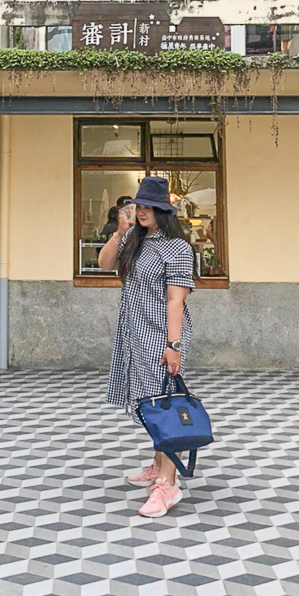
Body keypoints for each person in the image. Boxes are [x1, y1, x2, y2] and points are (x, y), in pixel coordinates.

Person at [99, 176, 196, 518]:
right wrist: (119, 232)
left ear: (164, 211)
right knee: (147, 404)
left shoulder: (178, 248)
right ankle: (159, 465)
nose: (143, 213)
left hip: (160, 334)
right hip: (133, 332)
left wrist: (174, 345)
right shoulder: (135, 241)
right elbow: (104, 264)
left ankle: (167, 486)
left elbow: (174, 301)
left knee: (166, 409)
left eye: (149, 208)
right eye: (140, 207)